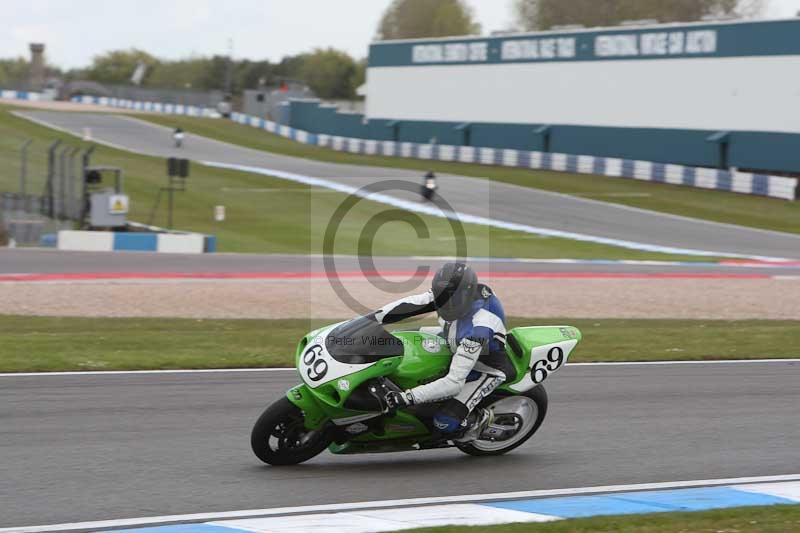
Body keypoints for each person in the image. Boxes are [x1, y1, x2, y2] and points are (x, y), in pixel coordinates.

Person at [372, 262, 513, 442]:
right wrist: (370, 319)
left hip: (484, 367)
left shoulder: (480, 327)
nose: (445, 304)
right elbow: (409, 304)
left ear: (466, 295)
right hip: (452, 338)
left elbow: (454, 383)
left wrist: (405, 398)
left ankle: (478, 423)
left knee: (444, 423)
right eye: (441, 297)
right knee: (395, 337)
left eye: (452, 300)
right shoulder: (448, 293)